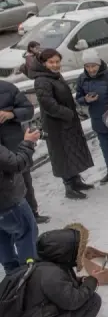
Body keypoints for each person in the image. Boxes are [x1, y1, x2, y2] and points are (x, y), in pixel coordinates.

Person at [13, 226, 102, 317]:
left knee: (83, 293)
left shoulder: (44, 264)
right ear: (64, 253)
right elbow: (74, 301)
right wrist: (91, 282)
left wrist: (81, 281)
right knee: (93, 301)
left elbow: (58, 289)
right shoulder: (52, 275)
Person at [31, 49, 94, 199]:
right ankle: (69, 187)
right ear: (44, 63)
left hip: (67, 123)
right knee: (63, 155)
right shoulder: (42, 80)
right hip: (56, 126)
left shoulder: (54, 76)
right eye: (51, 62)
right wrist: (68, 114)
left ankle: (76, 181)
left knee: (72, 152)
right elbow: (48, 104)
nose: (55, 65)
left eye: (57, 62)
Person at [75, 51, 108, 185]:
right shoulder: (82, 78)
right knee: (105, 147)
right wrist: (86, 99)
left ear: (99, 64)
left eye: (93, 66)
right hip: (97, 117)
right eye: (87, 66)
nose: (91, 69)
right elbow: (78, 98)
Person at [0, 79, 48, 224]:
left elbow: (28, 110)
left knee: (24, 179)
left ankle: (32, 213)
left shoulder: (7, 88)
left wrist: (11, 114)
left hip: (13, 144)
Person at [0, 115, 39, 274]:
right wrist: (28, 143)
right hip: (9, 202)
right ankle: (29, 275)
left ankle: (13, 276)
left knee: (3, 240)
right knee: (26, 233)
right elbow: (16, 164)